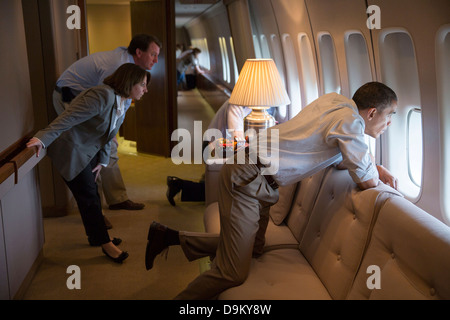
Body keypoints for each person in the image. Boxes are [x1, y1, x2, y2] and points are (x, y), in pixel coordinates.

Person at [145, 82, 399, 299]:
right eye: (390, 116)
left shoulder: (334, 101)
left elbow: (342, 158)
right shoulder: (350, 122)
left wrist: (375, 165)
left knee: (254, 248)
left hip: (261, 178)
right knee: (232, 272)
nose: (389, 123)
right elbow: (366, 181)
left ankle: (169, 237)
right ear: (372, 112)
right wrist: (376, 171)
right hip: (248, 176)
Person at [27, 63, 151, 263]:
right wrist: (42, 138)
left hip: (89, 149)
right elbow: (68, 117)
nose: (146, 89)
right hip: (72, 149)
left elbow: (107, 134)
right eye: (143, 84)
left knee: (91, 192)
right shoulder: (102, 95)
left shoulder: (123, 102)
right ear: (129, 83)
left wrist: (102, 161)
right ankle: (106, 244)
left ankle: (96, 237)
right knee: (89, 197)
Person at [54, 34, 161, 214]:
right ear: (139, 52)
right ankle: (97, 214)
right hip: (69, 97)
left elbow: (123, 104)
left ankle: (117, 199)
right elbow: (105, 99)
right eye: (153, 55)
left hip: (90, 100)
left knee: (108, 146)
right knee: (93, 150)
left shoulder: (130, 67)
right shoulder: (117, 66)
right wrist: (109, 134)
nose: (156, 60)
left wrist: (113, 132)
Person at [166, 100, 252, 206]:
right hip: (213, 148)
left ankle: (177, 184)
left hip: (222, 147)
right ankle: (178, 185)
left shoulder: (252, 104)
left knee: (219, 187)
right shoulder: (236, 104)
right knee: (219, 192)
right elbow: (237, 139)